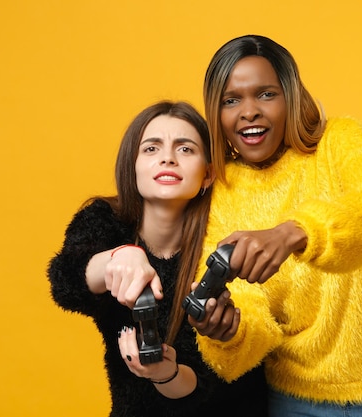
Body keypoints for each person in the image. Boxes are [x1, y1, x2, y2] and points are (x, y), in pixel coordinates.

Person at [188, 35, 362, 417]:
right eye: (231, 100)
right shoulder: (222, 192)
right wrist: (230, 331)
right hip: (297, 400)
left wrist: (294, 233)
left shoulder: (339, 140)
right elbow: (254, 312)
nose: (249, 111)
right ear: (216, 112)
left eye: (266, 94)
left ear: (289, 96)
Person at [46, 101, 268, 417]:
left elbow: (204, 380)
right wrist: (118, 258)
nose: (167, 158)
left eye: (186, 149)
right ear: (132, 166)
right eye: (151, 149)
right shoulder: (104, 221)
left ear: (208, 175)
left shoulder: (226, 238)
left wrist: (165, 373)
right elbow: (66, 280)